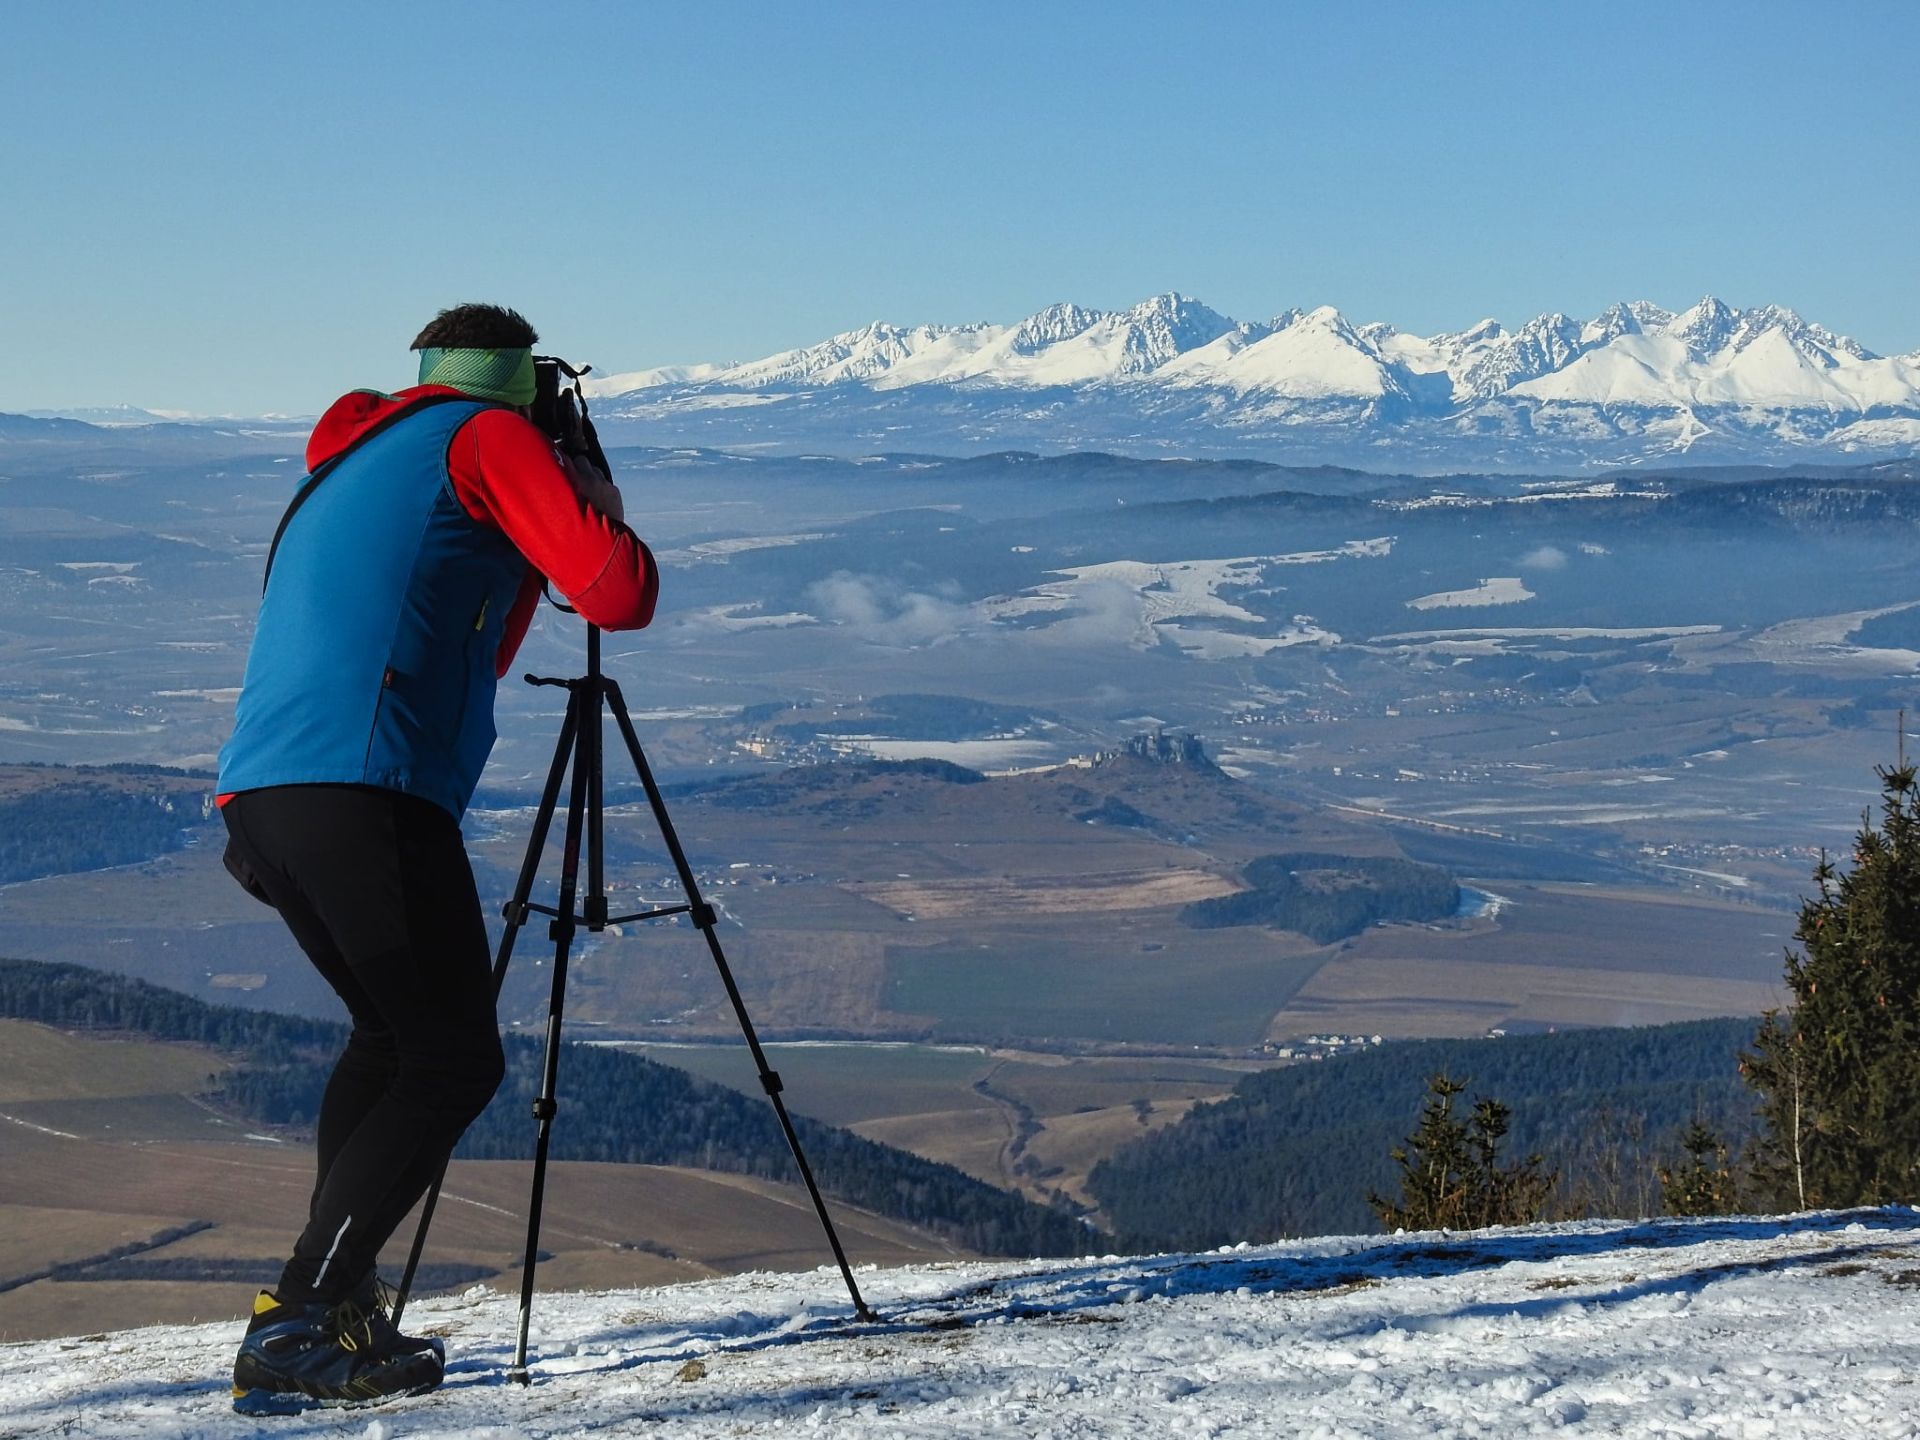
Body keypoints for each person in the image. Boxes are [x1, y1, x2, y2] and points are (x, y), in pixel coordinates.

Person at [215, 303, 658, 1410]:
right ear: (519, 383)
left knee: (391, 1038)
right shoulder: (485, 437)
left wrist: (525, 532)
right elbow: (618, 593)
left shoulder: (368, 451)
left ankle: (338, 1302)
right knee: (456, 1061)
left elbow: (485, 632)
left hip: (267, 793)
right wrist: (595, 506)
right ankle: (298, 1321)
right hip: (362, 785)